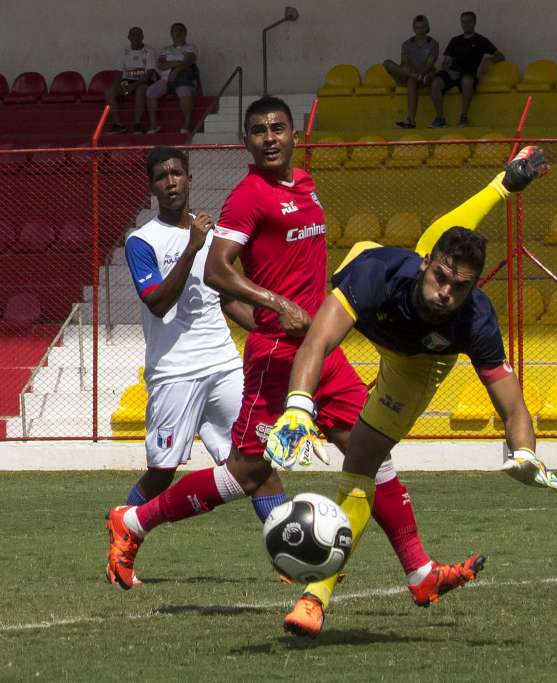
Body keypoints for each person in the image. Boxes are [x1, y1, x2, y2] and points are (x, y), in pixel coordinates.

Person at [103, 97, 494, 607]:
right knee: (246, 473)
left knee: (371, 453)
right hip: (278, 356)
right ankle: (132, 521)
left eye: (278, 128)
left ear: (294, 135)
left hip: (320, 352)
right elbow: (218, 270)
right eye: (259, 130)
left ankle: (420, 572)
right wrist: (275, 305)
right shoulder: (248, 196)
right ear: (247, 141)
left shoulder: (305, 187)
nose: (269, 137)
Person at [266, 144, 557, 638]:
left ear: (472, 290)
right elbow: (317, 341)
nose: (445, 291)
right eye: (441, 277)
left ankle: (314, 597)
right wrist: (297, 409)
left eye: (458, 286)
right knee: (410, 245)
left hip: (419, 364)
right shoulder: (379, 273)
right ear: (427, 267)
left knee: (360, 462)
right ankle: (503, 183)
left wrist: (526, 453)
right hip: (376, 287)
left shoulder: (475, 318)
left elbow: (513, 405)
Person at [110, 145, 286, 587]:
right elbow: (157, 303)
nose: (170, 182)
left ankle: (289, 551)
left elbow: (225, 298)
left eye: (176, 174)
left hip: (223, 363)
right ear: (151, 187)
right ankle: (124, 529)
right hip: (174, 371)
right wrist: (191, 247)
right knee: (163, 472)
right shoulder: (141, 241)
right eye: (161, 177)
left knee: (256, 460)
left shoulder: (215, 234)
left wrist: (270, 328)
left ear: (189, 179)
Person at [429, 10, 504, 128]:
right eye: (463, 22)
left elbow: (500, 56)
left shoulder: (481, 40)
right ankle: (440, 118)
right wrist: (449, 71)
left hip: (469, 73)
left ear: (474, 23)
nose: (466, 24)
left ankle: (463, 117)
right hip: (452, 72)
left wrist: (488, 60)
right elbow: (446, 62)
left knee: (467, 81)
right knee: (435, 83)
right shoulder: (455, 40)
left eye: (469, 21)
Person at [383, 15, 439, 129]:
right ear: (413, 28)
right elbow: (404, 63)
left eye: (422, 27)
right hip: (409, 74)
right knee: (387, 63)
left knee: (411, 81)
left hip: (424, 76)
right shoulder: (406, 44)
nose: (420, 30)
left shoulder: (433, 44)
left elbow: (429, 65)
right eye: (417, 27)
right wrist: (411, 72)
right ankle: (413, 76)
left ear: (427, 27)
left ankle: (411, 120)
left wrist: (419, 74)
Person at [146, 22, 198, 134]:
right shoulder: (166, 49)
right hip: (165, 79)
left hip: (183, 79)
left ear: (185, 33)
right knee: (150, 92)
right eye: (175, 31)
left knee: (185, 92)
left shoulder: (190, 47)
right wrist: (178, 63)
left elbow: (188, 61)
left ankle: (186, 125)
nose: (178, 33)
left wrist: (176, 70)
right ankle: (153, 125)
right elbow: (161, 65)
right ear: (171, 34)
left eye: (180, 30)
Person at [107, 27, 157, 134]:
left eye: (138, 34)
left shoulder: (149, 51)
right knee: (110, 91)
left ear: (142, 37)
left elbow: (149, 73)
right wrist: (119, 85)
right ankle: (118, 125)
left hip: (144, 81)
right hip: (128, 81)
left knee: (140, 90)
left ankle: (137, 124)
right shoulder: (123, 52)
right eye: (133, 34)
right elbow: (118, 72)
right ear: (129, 37)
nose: (136, 37)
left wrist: (133, 86)